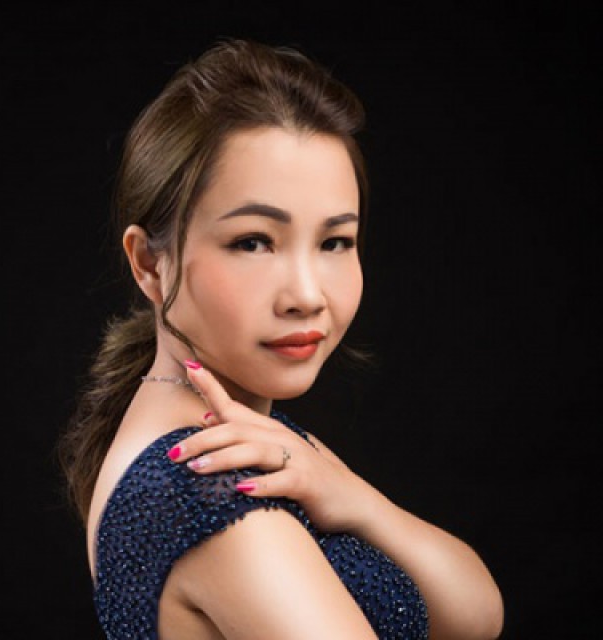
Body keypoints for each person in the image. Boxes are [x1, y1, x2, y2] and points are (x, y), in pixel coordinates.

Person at [58, 38, 504, 639]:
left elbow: (477, 616)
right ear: (149, 263)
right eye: (254, 242)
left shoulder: (256, 443)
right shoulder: (210, 494)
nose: (307, 295)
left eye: (335, 242)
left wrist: (349, 495)